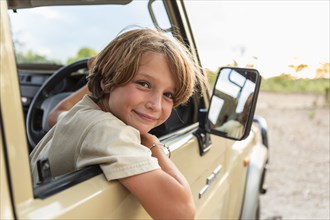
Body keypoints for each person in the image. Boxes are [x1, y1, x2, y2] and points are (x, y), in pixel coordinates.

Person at [30, 28, 206, 219]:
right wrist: (153, 145)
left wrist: (99, 76)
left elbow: (56, 113)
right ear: (108, 81)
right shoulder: (109, 130)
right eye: (144, 84)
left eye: (168, 95)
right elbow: (181, 213)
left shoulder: (84, 112)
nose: (155, 105)